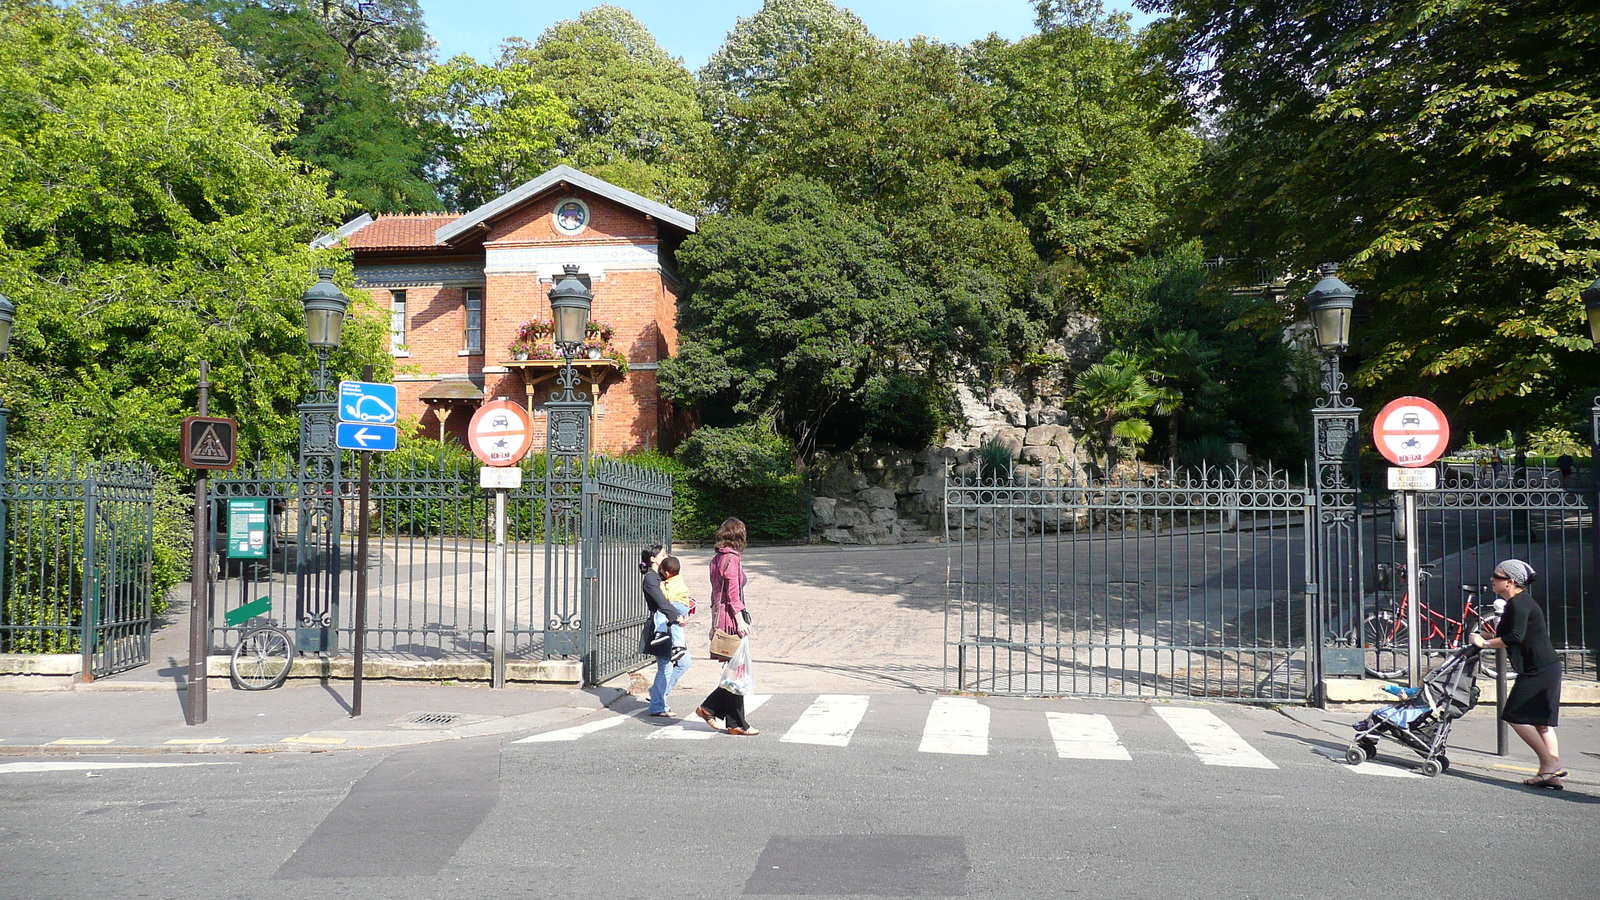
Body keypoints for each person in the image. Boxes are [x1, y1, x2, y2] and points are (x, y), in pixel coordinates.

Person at [1470, 559, 1564, 788]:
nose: (1492, 580)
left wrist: (1484, 644)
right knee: (1542, 723)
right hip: (1543, 666)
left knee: (1513, 715)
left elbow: (1514, 637)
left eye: (1497, 576)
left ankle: (1549, 763)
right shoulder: (1518, 603)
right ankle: (1549, 773)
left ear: (1510, 582)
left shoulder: (1519, 604)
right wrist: (1481, 634)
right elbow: (1508, 632)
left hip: (1539, 669)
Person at [695, 517, 759, 736]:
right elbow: (732, 594)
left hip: (721, 617)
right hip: (732, 619)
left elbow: (716, 594)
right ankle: (716, 711)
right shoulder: (732, 559)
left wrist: (714, 623)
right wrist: (740, 621)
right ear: (738, 536)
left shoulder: (716, 559)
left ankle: (732, 721)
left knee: (734, 671)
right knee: (736, 672)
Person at [638, 543, 689, 717]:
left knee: (683, 663)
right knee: (665, 666)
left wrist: (686, 610)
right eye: (662, 554)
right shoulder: (651, 579)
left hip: (671, 624)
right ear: (653, 559)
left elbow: (678, 594)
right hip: (660, 626)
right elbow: (663, 603)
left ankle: (657, 694)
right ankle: (657, 705)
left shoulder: (663, 575)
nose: (666, 556)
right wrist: (678, 616)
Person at [651, 555, 695, 664]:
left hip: (676, 603)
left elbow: (668, 597)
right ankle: (679, 646)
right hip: (685, 605)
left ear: (666, 573)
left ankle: (661, 632)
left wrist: (661, 587)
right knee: (676, 624)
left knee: (660, 613)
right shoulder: (679, 578)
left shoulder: (669, 583)